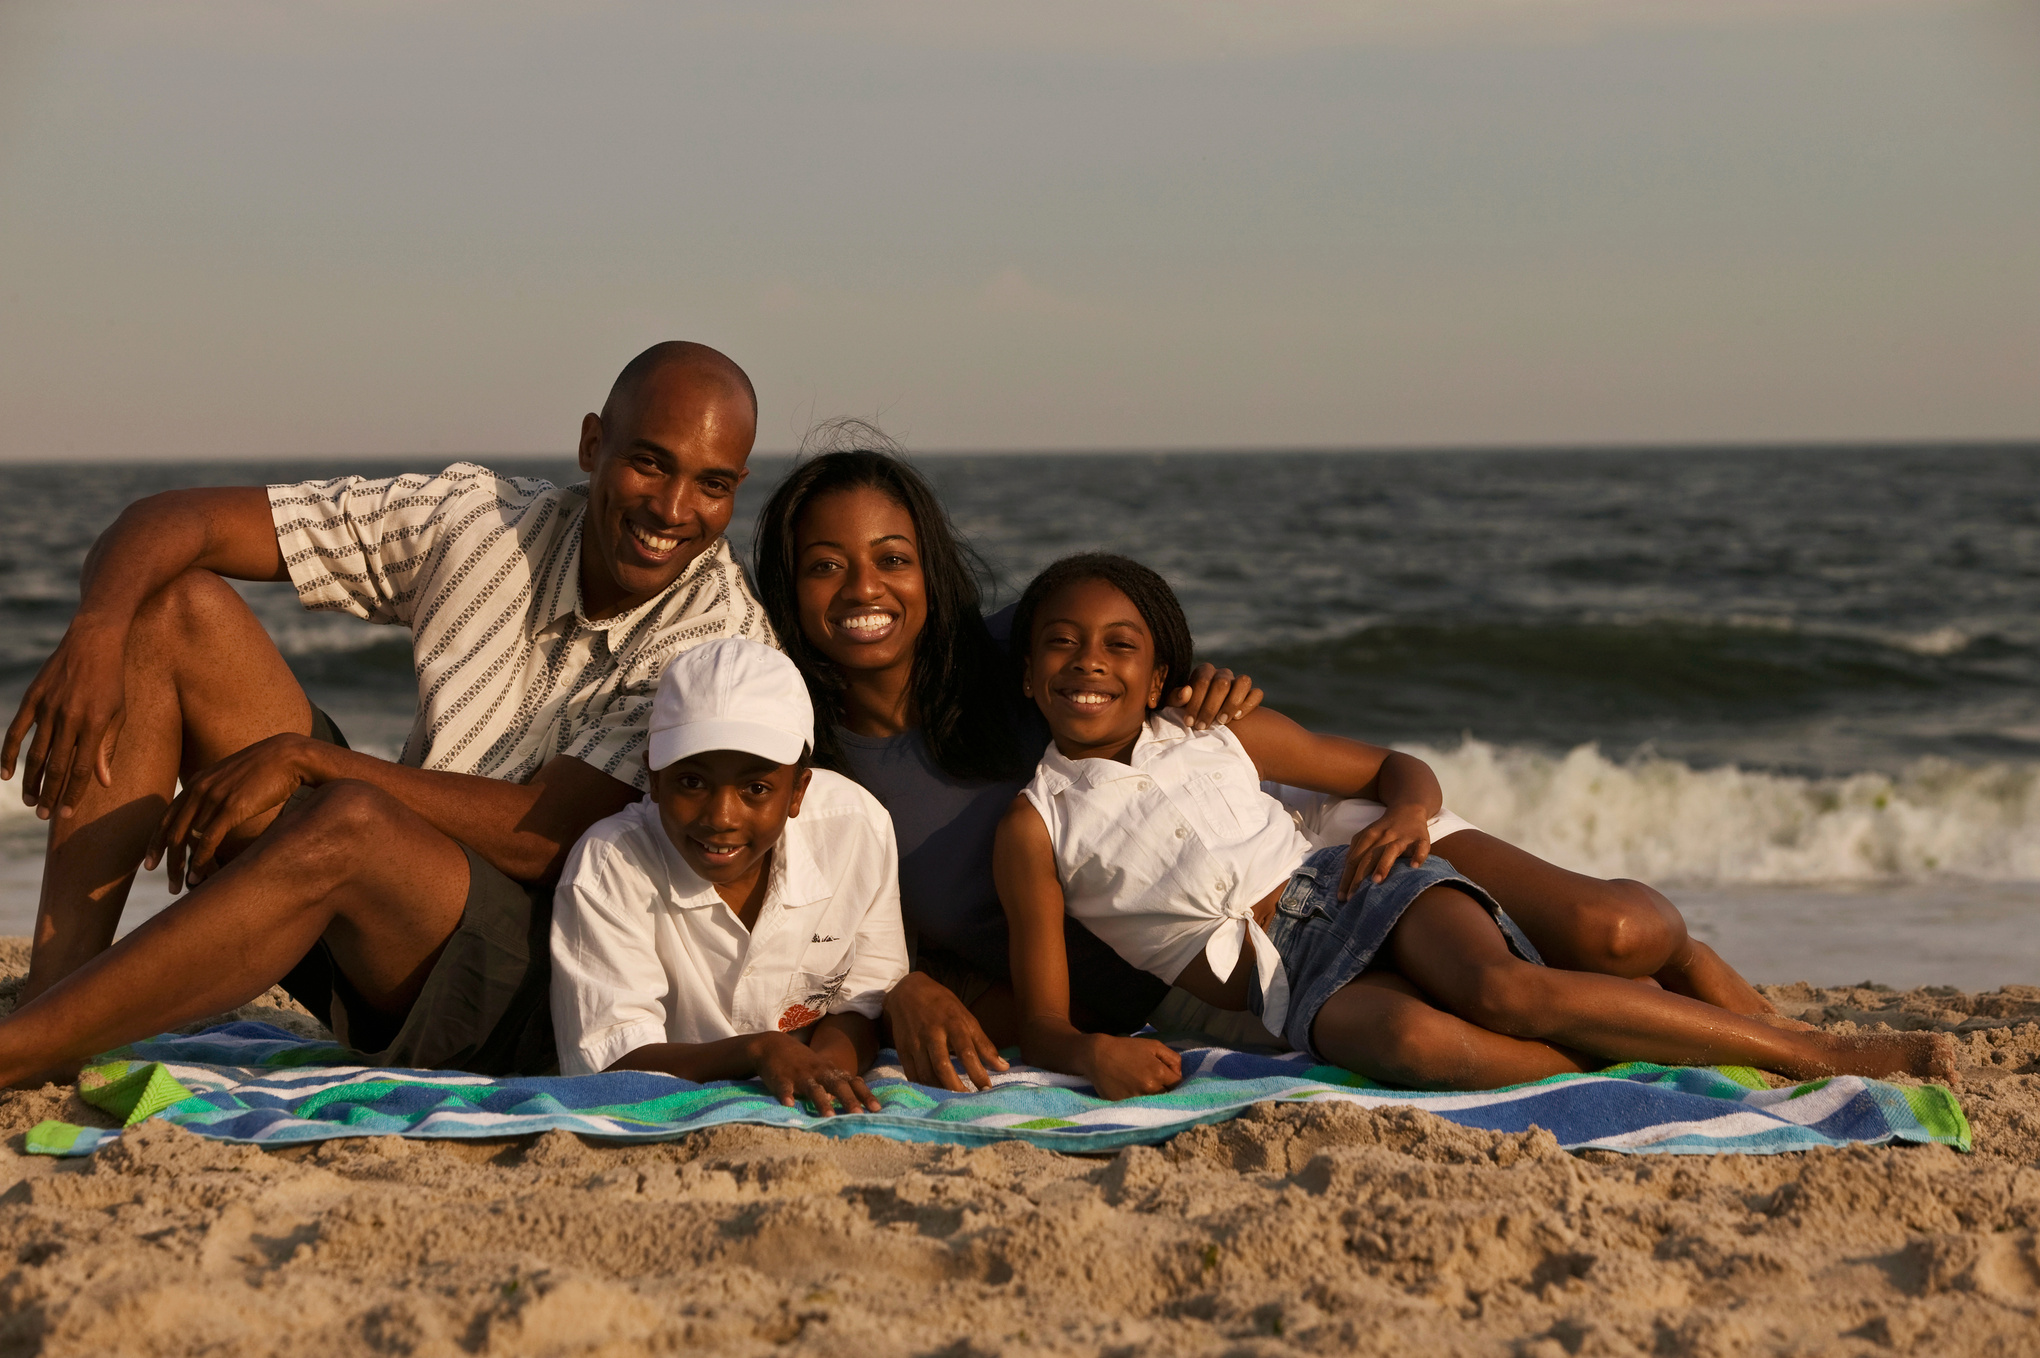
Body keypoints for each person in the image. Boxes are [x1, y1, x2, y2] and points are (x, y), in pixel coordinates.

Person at [0, 341, 770, 1085]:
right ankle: (53, 1000)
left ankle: (18, 1050)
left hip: (540, 983)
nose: (674, 508)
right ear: (592, 445)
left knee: (353, 818)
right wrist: (96, 633)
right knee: (167, 610)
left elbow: (542, 836)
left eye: (712, 484)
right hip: (381, 916)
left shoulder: (715, 640)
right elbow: (180, 519)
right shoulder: (484, 520)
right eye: (649, 463)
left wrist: (314, 762)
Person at [994, 553, 1958, 1098]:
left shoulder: (1213, 730)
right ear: (1030, 674)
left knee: (1502, 988)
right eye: (1062, 646)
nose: (1090, 663)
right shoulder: (1035, 825)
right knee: (1415, 1051)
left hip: (1353, 884)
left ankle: (1813, 1054)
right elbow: (1042, 1015)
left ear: (1159, 675)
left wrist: (1411, 813)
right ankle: (1646, 1045)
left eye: (1121, 646)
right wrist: (1090, 1053)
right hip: (1286, 988)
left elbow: (1383, 767)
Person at [749, 431, 1261, 1093]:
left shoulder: (1026, 657)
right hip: (1115, 1024)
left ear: (930, 568)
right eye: (824, 566)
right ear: (789, 590)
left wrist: (1212, 688)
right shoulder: (808, 776)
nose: (864, 589)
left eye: (893, 558)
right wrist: (903, 987)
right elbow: (833, 950)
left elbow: (1161, 699)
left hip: (1261, 919)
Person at [550, 639, 907, 1115]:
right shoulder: (609, 865)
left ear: (799, 790)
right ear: (654, 780)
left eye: (756, 788)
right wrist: (756, 1052)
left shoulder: (857, 828)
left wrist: (820, 1073)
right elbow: (609, 1064)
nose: (721, 817)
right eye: (692, 782)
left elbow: (860, 1005)